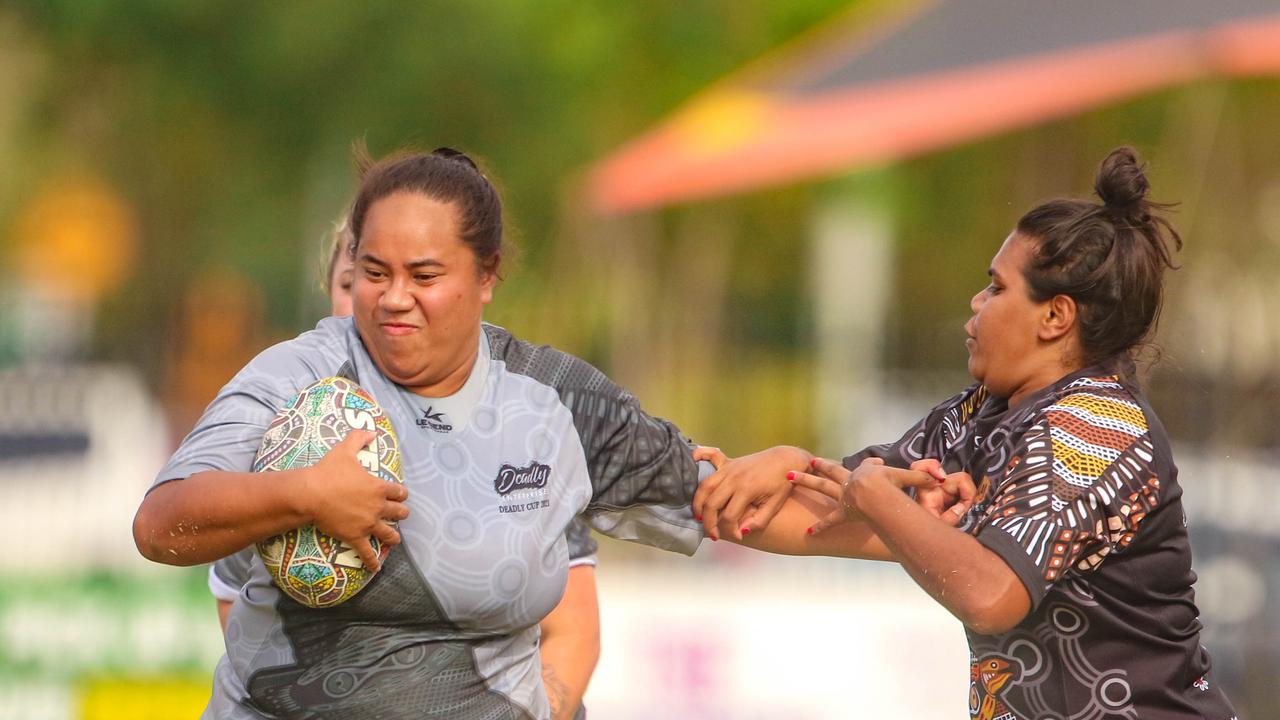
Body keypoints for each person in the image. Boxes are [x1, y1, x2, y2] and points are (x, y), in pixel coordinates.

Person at [133, 146, 894, 719]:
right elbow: (160, 524)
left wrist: (924, 524)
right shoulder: (298, 375)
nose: (393, 299)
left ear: (487, 276)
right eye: (372, 272)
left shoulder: (556, 401)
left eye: (424, 276)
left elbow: (739, 507)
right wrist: (303, 494)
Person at [694, 147, 1237, 719]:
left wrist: (879, 499)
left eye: (996, 288)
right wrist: (744, 471)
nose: (976, 305)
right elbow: (827, 505)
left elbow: (991, 595)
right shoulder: (984, 412)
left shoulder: (1095, 428)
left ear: (1055, 317)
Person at [203, 217, 605, 719]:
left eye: (417, 280)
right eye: (358, 282)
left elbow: (573, 630)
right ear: (330, 296)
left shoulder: (517, 442)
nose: (386, 303)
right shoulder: (281, 443)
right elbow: (235, 604)